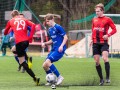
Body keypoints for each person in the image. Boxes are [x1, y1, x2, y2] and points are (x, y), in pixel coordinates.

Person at [4, 10, 40, 85]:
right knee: (13, 49)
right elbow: (33, 25)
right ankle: (28, 59)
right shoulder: (24, 19)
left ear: (12, 16)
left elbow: (5, 32)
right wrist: (30, 37)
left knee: (22, 62)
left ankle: (35, 78)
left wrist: (8, 31)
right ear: (18, 15)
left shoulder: (11, 21)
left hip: (19, 42)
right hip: (26, 42)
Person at [91, 3, 117, 85]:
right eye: (96, 11)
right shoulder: (94, 19)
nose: (96, 13)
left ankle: (108, 78)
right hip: (95, 43)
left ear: (102, 11)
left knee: (105, 58)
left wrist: (108, 35)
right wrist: (92, 39)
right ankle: (101, 79)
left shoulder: (107, 19)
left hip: (104, 43)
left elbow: (114, 29)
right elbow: (93, 30)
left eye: (98, 11)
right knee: (97, 61)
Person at [41, 14, 68, 85]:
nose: (47, 23)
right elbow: (52, 40)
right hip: (54, 49)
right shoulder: (50, 29)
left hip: (59, 49)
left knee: (47, 62)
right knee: (44, 65)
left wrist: (61, 46)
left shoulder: (58, 27)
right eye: (46, 22)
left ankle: (59, 77)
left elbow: (65, 37)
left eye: (48, 21)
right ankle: (52, 80)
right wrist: (45, 43)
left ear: (52, 19)